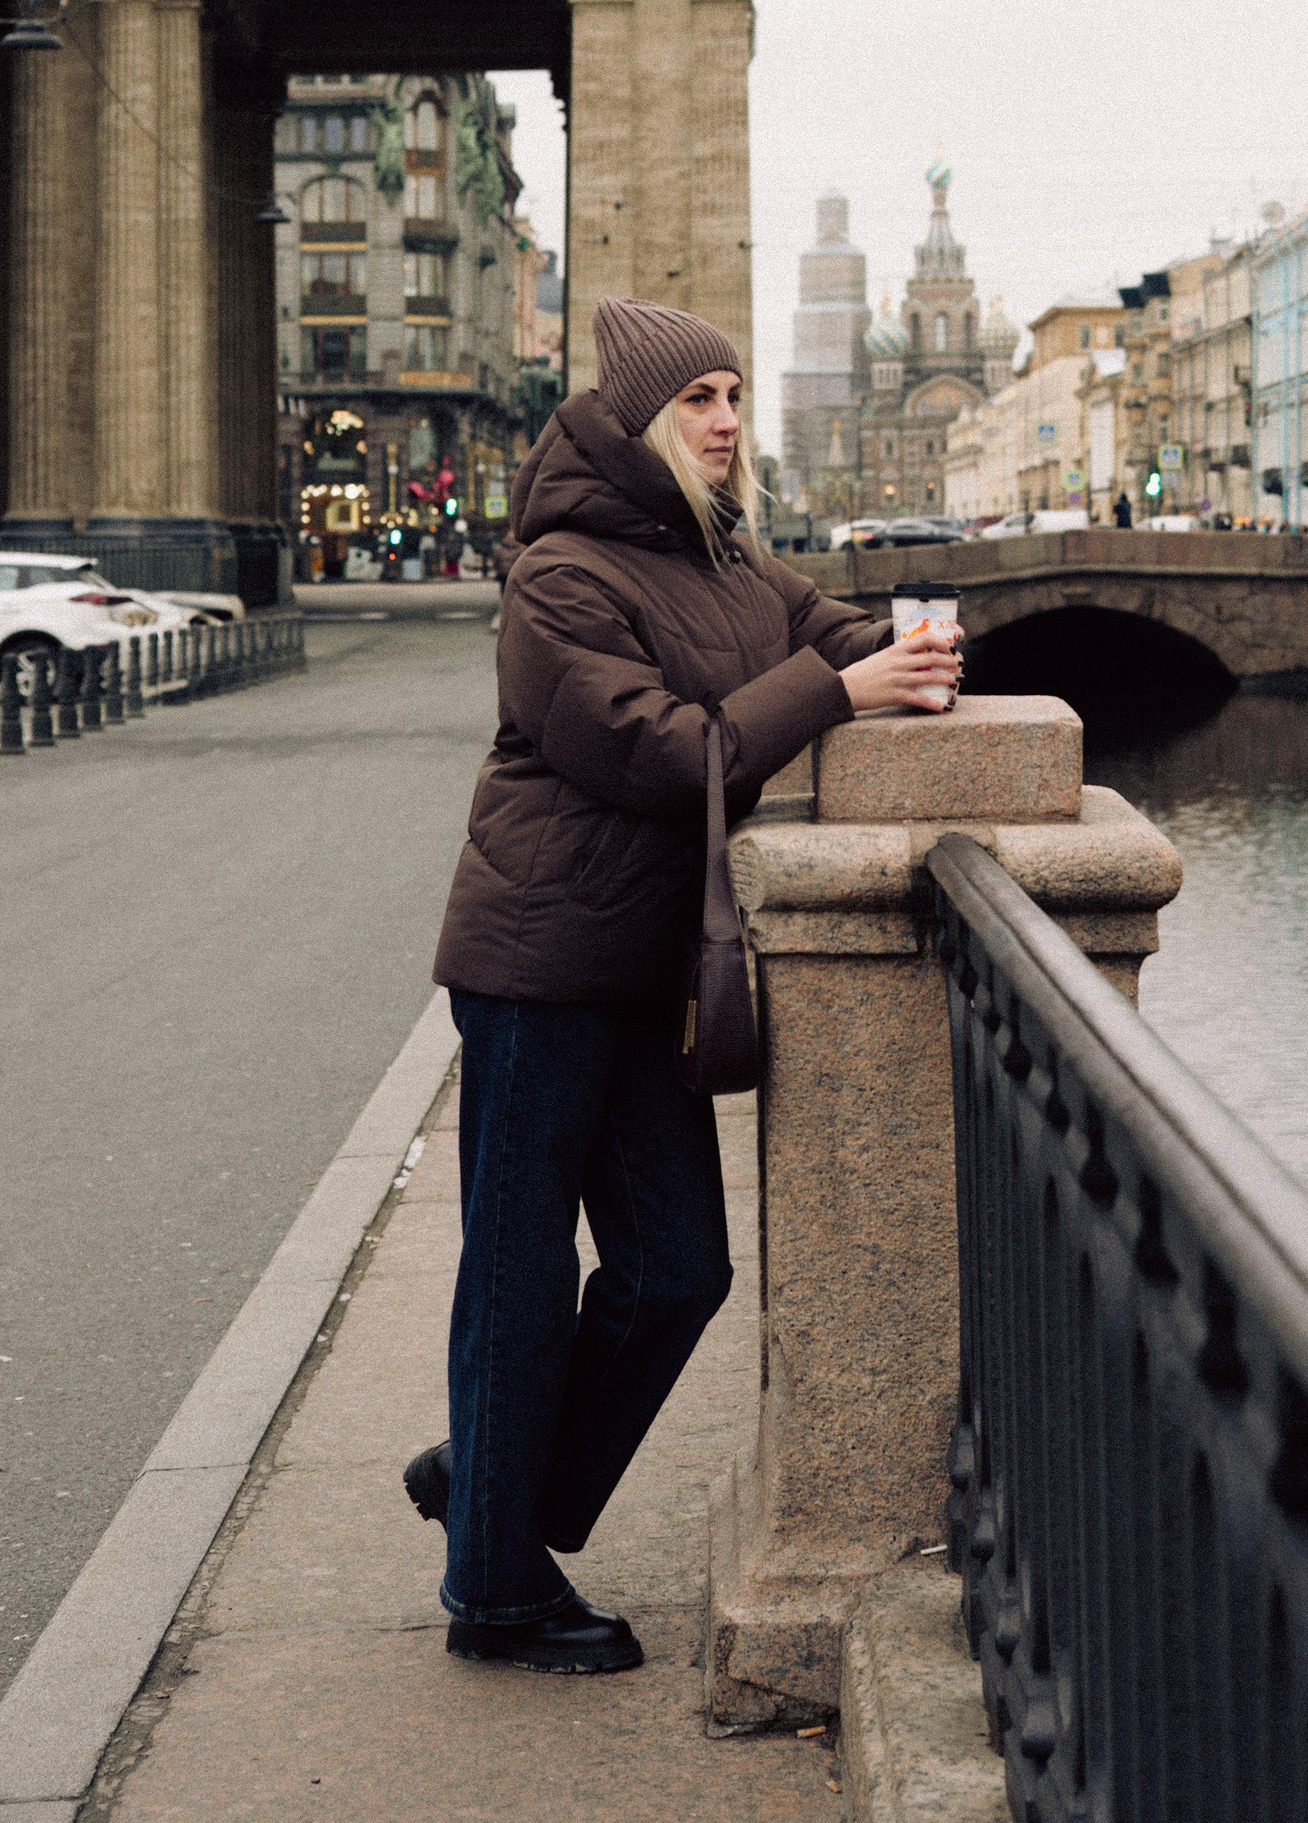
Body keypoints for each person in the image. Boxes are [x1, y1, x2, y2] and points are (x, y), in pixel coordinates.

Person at [407, 294, 961, 1672]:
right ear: (639, 421)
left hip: (649, 968)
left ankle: (490, 1486)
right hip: (540, 962)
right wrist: (839, 694)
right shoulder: (560, 575)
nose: (725, 421)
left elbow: (834, 633)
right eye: (697, 400)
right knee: (520, 1272)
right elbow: (658, 750)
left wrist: (921, 653)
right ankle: (495, 1593)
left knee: (675, 1272)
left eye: (733, 396)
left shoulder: (730, 560)